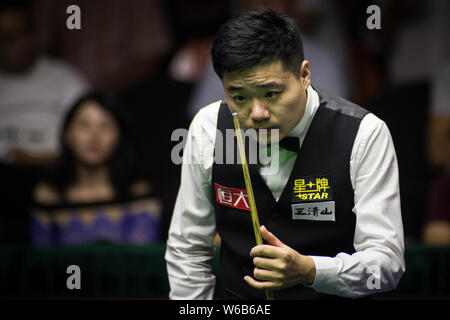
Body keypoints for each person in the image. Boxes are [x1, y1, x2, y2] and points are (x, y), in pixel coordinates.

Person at [165, 8, 405, 299]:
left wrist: (311, 271)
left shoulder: (364, 134)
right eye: (238, 97)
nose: (257, 113)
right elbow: (187, 248)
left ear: (304, 74)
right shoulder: (208, 128)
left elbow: (387, 264)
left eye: (272, 93)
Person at [31, 92, 162, 246]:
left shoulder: (138, 194)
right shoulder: (49, 195)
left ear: (119, 137)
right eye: (84, 125)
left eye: (105, 126)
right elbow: (39, 263)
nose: (94, 135)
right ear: (67, 135)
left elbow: (140, 263)